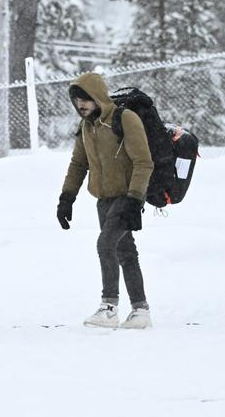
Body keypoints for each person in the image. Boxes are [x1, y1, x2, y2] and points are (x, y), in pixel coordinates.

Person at [58, 72, 154, 329]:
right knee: (126, 253)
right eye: (77, 100)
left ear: (98, 96)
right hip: (103, 200)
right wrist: (66, 198)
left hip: (126, 196)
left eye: (86, 99)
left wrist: (135, 199)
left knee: (105, 245)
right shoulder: (86, 127)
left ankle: (109, 307)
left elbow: (144, 162)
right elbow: (78, 164)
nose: (81, 105)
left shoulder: (125, 119)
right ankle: (140, 311)